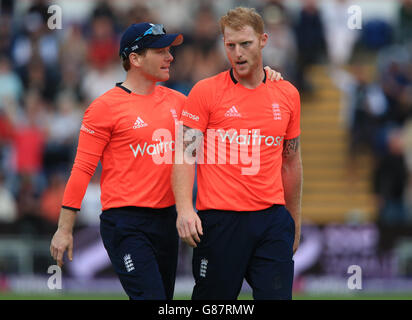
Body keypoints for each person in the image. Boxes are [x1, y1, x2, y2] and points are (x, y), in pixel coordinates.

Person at [50, 22, 283, 300]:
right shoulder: (103, 108)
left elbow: (227, 116)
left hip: (168, 221)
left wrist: (260, 78)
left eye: (169, 51)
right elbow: (82, 169)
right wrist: (64, 229)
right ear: (135, 59)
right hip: (126, 223)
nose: (170, 57)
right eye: (161, 51)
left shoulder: (181, 102)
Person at [172, 7, 302, 300]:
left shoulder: (287, 94)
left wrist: (294, 219)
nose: (238, 53)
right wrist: (184, 208)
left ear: (263, 40)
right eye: (230, 45)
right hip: (220, 222)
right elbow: (184, 154)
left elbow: (291, 161)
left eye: (246, 44)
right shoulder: (205, 92)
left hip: (272, 221)